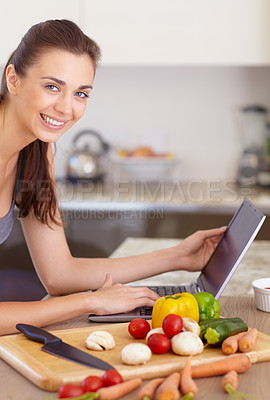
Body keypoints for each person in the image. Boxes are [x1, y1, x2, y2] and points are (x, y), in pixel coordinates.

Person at [0, 19, 226, 335]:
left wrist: (178, 256)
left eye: (81, 93)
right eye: (52, 86)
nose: (66, 108)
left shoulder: (37, 152)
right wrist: (90, 303)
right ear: (14, 78)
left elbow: (59, 273)